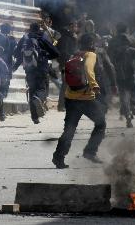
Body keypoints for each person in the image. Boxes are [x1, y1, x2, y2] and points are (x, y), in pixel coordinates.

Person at [52, 33, 106, 169]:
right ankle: (90, 152)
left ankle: (58, 157)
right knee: (101, 124)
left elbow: (65, 76)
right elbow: (88, 69)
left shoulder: (74, 55)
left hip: (71, 98)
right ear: (92, 44)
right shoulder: (90, 55)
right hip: (86, 99)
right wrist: (94, 85)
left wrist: (63, 99)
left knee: (69, 129)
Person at [13, 22, 59, 124]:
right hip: (42, 68)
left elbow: (16, 54)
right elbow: (56, 53)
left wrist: (15, 66)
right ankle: (38, 98)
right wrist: (45, 56)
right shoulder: (42, 37)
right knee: (42, 89)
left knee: (32, 90)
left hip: (29, 69)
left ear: (30, 28)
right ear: (39, 29)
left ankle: (34, 117)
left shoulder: (25, 38)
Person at [111, 34, 135, 128]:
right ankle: (133, 106)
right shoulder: (130, 50)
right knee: (134, 92)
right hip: (130, 77)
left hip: (120, 78)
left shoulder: (115, 51)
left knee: (123, 100)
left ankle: (128, 118)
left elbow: (111, 64)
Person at [57, 20, 78, 111]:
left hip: (73, 63)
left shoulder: (73, 37)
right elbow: (63, 51)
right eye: (73, 26)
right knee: (65, 84)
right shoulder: (65, 37)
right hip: (65, 63)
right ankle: (61, 105)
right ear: (69, 27)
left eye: (76, 26)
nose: (75, 28)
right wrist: (70, 56)